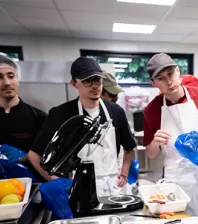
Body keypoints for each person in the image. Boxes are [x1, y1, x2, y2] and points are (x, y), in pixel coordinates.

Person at [28, 57, 136, 197]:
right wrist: (57, 181)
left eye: (98, 79)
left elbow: (129, 148)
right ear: (74, 83)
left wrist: (124, 173)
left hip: (113, 188)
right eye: (87, 81)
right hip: (80, 189)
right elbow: (34, 155)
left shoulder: (116, 111)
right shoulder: (61, 114)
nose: (95, 85)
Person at [143, 53, 198, 217]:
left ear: (178, 71)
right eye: (161, 78)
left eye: (170, 74)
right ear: (153, 83)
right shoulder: (152, 110)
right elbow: (151, 153)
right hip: (175, 182)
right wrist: (155, 142)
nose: (169, 81)